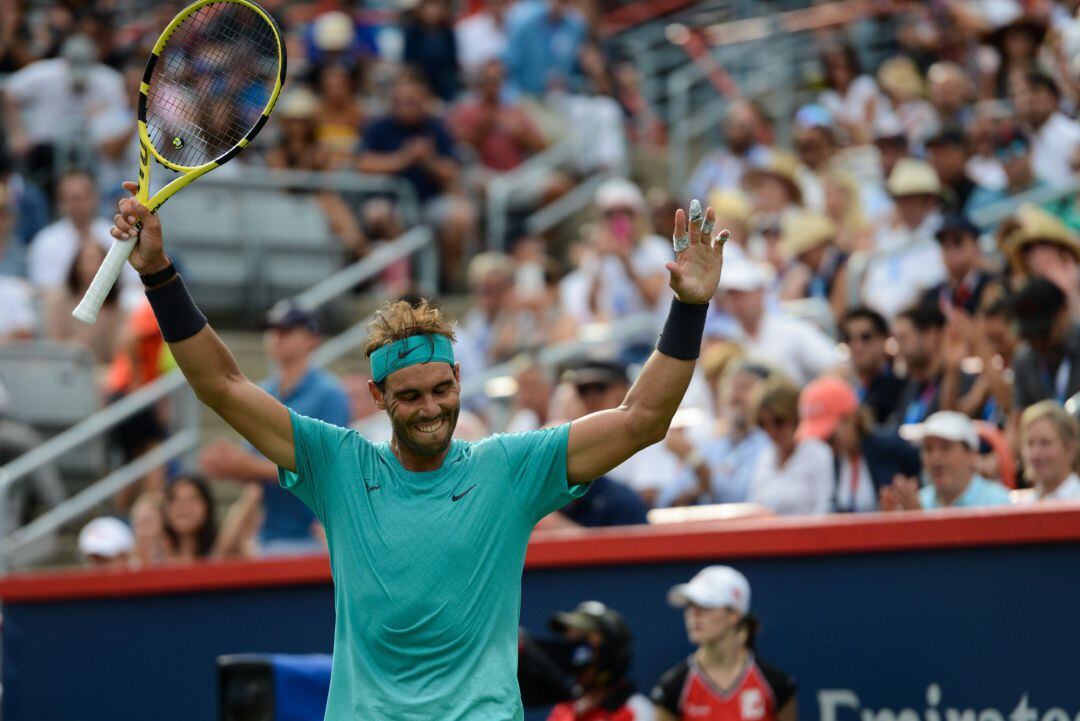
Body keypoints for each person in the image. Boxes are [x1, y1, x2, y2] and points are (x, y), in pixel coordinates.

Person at [109, 178, 729, 720]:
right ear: (378, 397)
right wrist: (159, 274)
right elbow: (223, 384)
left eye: (441, 389)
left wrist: (690, 307)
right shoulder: (338, 464)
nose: (431, 408)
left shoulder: (508, 467)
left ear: (459, 382)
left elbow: (641, 420)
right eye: (410, 397)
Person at [199, 303, 350, 556]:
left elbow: (326, 467)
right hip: (270, 537)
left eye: (286, 330)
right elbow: (256, 474)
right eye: (273, 330)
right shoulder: (264, 392)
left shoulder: (329, 394)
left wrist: (243, 466)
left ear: (312, 338)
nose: (276, 337)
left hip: (313, 537)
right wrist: (230, 465)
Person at [357, 70, 475, 288]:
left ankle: (445, 280)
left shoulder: (436, 128)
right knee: (377, 213)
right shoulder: (379, 127)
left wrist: (428, 159)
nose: (406, 106)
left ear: (424, 101)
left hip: (429, 202)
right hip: (393, 203)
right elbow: (364, 163)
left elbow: (453, 171)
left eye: (412, 101)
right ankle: (409, 277)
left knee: (461, 216)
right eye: (401, 101)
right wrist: (403, 159)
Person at [652, 566, 796, 721]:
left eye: (705, 605)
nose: (693, 614)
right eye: (690, 605)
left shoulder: (776, 684)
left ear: (734, 614)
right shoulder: (673, 688)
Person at [709, 257, 841, 387]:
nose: (736, 302)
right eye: (730, 295)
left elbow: (835, 366)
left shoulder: (794, 331)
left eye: (741, 294)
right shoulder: (728, 340)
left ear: (760, 292)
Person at [796, 376, 921, 513]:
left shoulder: (892, 449)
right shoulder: (831, 461)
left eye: (830, 437)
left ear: (850, 418)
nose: (826, 445)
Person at [662, 361, 772, 507]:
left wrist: (696, 463)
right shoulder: (713, 446)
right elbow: (666, 499)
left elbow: (739, 497)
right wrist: (699, 485)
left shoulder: (768, 444)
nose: (735, 394)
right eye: (732, 386)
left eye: (745, 388)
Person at [862, 159, 947, 319]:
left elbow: (931, 286)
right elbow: (870, 287)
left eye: (911, 199)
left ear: (929, 201)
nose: (904, 205)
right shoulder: (890, 239)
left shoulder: (943, 235)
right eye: (900, 199)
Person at [879, 411, 1010, 510]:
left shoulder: (999, 504)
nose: (935, 457)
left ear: (972, 454)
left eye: (946, 447)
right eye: (929, 449)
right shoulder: (916, 501)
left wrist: (919, 522)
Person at [547, 602, 654, 720]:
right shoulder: (563, 710)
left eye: (582, 642)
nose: (574, 656)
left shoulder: (636, 711)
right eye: (570, 643)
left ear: (609, 651)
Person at [747, 376, 834, 516]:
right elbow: (754, 509)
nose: (772, 432)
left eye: (779, 422)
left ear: (794, 418)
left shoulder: (818, 454)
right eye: (763, 425)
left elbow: (823, 509)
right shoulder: (764, 458)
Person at [887, 304, 975, 427]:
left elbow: (953, 425)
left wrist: (952, 372)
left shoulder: (963, 382)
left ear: (931, 336)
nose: (897, 349)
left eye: (903, 338)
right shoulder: (911, 385)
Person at [43, 240, 123, 363]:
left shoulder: (115, 307)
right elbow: (54, 350)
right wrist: (91, 333)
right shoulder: (59, 302)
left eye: (100, 261)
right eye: (88, 260)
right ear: (77, 265)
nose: (94, 267)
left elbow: (119, 354)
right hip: (66, 371)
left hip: (103, 373)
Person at [1010, 277, 1080, 411]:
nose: (1037, 343)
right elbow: (1018, 417)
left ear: (1063, 312)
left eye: (1043, 334)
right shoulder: (1024, 360)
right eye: (1029, 336)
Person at [504, 0, 587, 97]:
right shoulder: (524, 24)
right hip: (525, 96)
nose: (557, 4)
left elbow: (579, 71)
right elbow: (509, 66)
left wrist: (568, 82)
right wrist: (515, 97)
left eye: (564, 1)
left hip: (560, 99)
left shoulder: (576, 29)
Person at [918, 214, 996, 315]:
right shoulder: (932, 297)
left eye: (957, 241)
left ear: (976, 244)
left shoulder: (991, 284)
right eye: (944, 243)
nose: (950, 249)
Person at [840, 307, 904, 424]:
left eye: (865, 337)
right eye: (848, 338)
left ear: (883, 339)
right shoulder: (847, 387)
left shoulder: (900, 388)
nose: (856, 346)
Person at [1017, 73, 1080, 189]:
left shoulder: (1073, 135)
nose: (1028, 99)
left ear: (1054, 99)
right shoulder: (1021, 137)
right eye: (1022, 94)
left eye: (1036, 91)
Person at [1018, 400, 1080, 502]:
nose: (1035, 453)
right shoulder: (1021, 504)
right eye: (1030, 443)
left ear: (1070, 449)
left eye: (1045, 443)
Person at [163, 475, 218, 562]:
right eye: (175, 499)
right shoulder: (153, 555)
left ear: (207, 506)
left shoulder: (220, 551)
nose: (183, 507)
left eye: (193, 499)